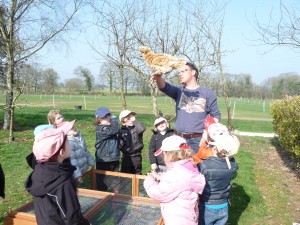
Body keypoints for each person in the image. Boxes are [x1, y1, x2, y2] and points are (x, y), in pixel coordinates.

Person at [25, 120, 91, 225]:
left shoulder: (39, 171)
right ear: (62, 152)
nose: (69, 143)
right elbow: (72, 217)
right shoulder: (63, 182)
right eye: (68, 143)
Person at [152, 62, 221, 153]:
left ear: (193, 72)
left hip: (198, 140)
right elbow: (164, 87)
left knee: (197, 166)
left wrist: (207, 133)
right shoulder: (179, 91)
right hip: (178, 139)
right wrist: (158, 78)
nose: (180, 74)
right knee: (177, 166)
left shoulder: (208, 93)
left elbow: (216, 115)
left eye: (183, 71)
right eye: (179, 72)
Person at [144, 135, 206, 225]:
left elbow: (158, 193)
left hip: (177, 219)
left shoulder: (176, 175)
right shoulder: (189, 165)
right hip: (188, 216)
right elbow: (180, 182)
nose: (163, 157)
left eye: (164, 154)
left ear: (170, 155)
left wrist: (149, 180)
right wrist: (161, 177)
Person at [198, 134, 239, 225]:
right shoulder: (233, 165)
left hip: (207, 204)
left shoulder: (204, 165)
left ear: (215, 148)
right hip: (224, 205)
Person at [94, 107, 120, 191]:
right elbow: (114, 130)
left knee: (115, 179)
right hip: (103, 159)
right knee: (102, 181)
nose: (107, 118)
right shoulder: (100, 129)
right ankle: (102, 198)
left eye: (108, 116)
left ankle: (116, 198)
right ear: (99, 119)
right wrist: (114, 119)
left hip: (113, 157)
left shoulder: (109, 127)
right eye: (104, 117)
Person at [119, 110, 146, 174]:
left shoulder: (136, 129)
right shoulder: (121, 131)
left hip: (136, 156)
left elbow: (142, 128)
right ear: (123, 121)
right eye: (128, 119)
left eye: (132, 118)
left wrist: (134, 120)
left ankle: (137, 184)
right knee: (125, 174)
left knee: (137, 172)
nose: (131, 120)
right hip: (126, 156)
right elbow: (120, 144)